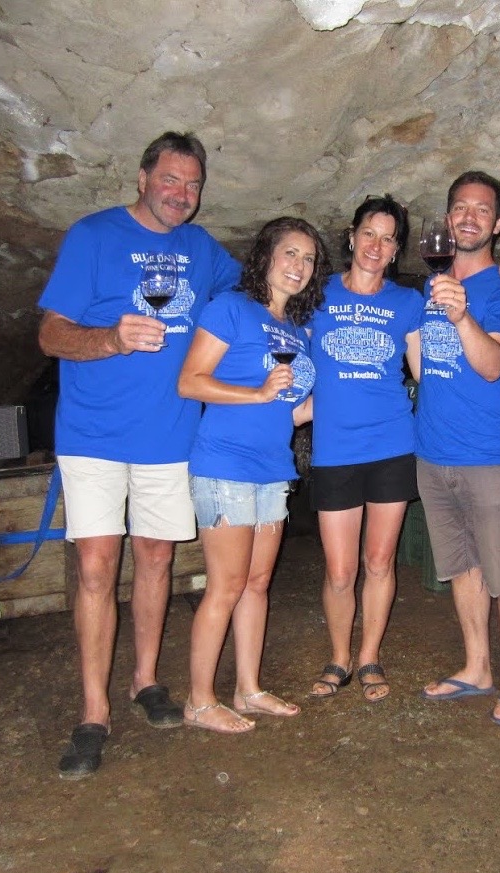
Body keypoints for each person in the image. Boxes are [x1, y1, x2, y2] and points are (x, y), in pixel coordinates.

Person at [38, 131, 240, 779]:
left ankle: (145, 680)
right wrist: (112, 339)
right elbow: (49, 334)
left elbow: (247, 293)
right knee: (97, 567)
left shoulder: (203, 250)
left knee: (156, 558)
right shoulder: (92, 236)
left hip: (170, 434)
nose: (182, 194)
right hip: (93, 434)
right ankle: (93, 711)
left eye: (193, 184)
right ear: (142, 177)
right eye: (171, 180)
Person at [177, 216, 330, 733]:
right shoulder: (230, 310)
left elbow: (285, 411)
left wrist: (331, 404)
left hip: (272, 468)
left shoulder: (294, 332)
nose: (299, 266)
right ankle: (199, 701)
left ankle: (248, 688)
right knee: (226, 585)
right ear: (265, 256)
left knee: (258, 584)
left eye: (309, 258)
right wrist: (258, 393)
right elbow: (190, 381)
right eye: (290, 253)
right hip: (224, 465)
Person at [416, 171, 500, 726]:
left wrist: (461, 315)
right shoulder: (427, 287)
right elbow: (422, 363)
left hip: (490, 456)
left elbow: (491, 368)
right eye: (459, 208)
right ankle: (477, 666)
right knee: (462, 568)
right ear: (446, 220)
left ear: (499, 222)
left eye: (481, 210)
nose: (468, 217)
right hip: (434, 455)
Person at [306, 194, 423, 703]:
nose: (377, 246)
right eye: (369, 234)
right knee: (339, 568)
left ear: (397, 250)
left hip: (393, 442)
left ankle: (370, 654)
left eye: (389, 237)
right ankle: (338, 656)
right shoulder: (318, 293)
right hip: (334, 446)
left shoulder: (407, 303)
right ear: (351, 237)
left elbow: (425, 374)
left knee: (379, 560)